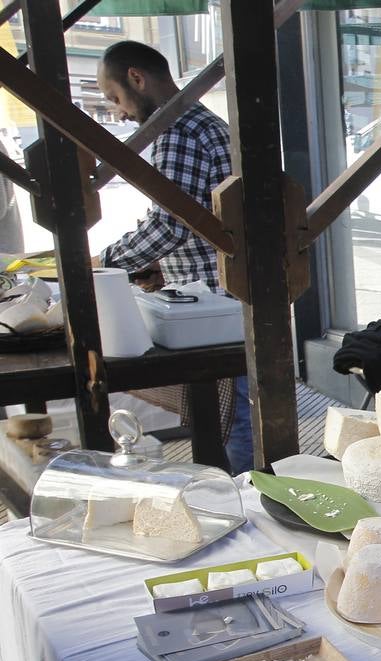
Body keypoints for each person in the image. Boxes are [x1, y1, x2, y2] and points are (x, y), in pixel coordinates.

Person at [93, 41, 252, 475]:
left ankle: (249, 498)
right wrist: (158, 265)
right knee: (232, 412)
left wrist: (105, 261)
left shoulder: (178, 131)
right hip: (219, 293)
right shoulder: (196, 123)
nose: (119, 113)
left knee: (235, 418)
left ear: (137, 78)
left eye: (115, 98)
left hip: (217, 300)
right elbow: (193, 219)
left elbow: (171, 223)